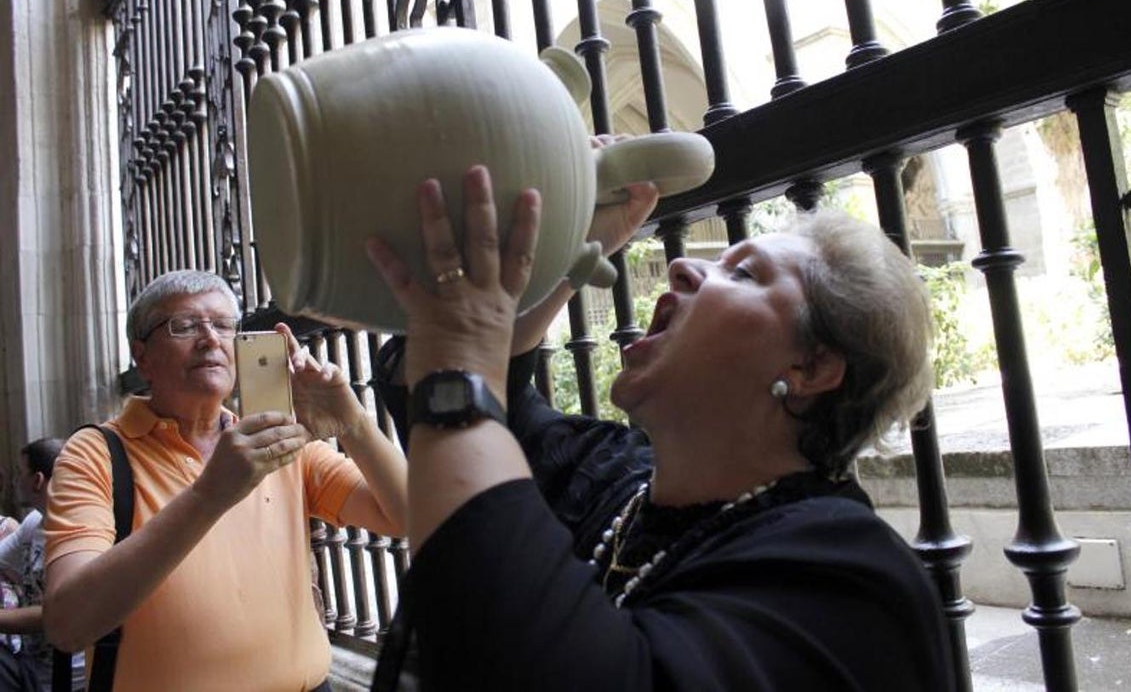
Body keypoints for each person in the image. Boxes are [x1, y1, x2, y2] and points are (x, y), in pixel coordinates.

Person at [365, 161, 956, 690]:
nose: (679, 266)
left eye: (745, 274)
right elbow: (473, 404)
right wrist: (570, 251)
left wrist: (461, 360)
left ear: (812, 366)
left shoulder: (847, 580)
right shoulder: (614, 483)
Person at [42, 270, 408, 691]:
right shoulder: (96, 453)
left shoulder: (282, 441)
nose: (211, 339)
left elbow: (407, 517)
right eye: (184, 325)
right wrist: (209, 495)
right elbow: (68, 624)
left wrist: (353, 424)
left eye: (223, 326)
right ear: (141, 356)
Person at [0, 439, 83, 691]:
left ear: (37, 480)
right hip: (36, 669)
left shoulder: (79, 532)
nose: (15, 482)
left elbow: (60, 611)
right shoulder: (34, 523)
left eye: (20, 473)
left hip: (76, 674)